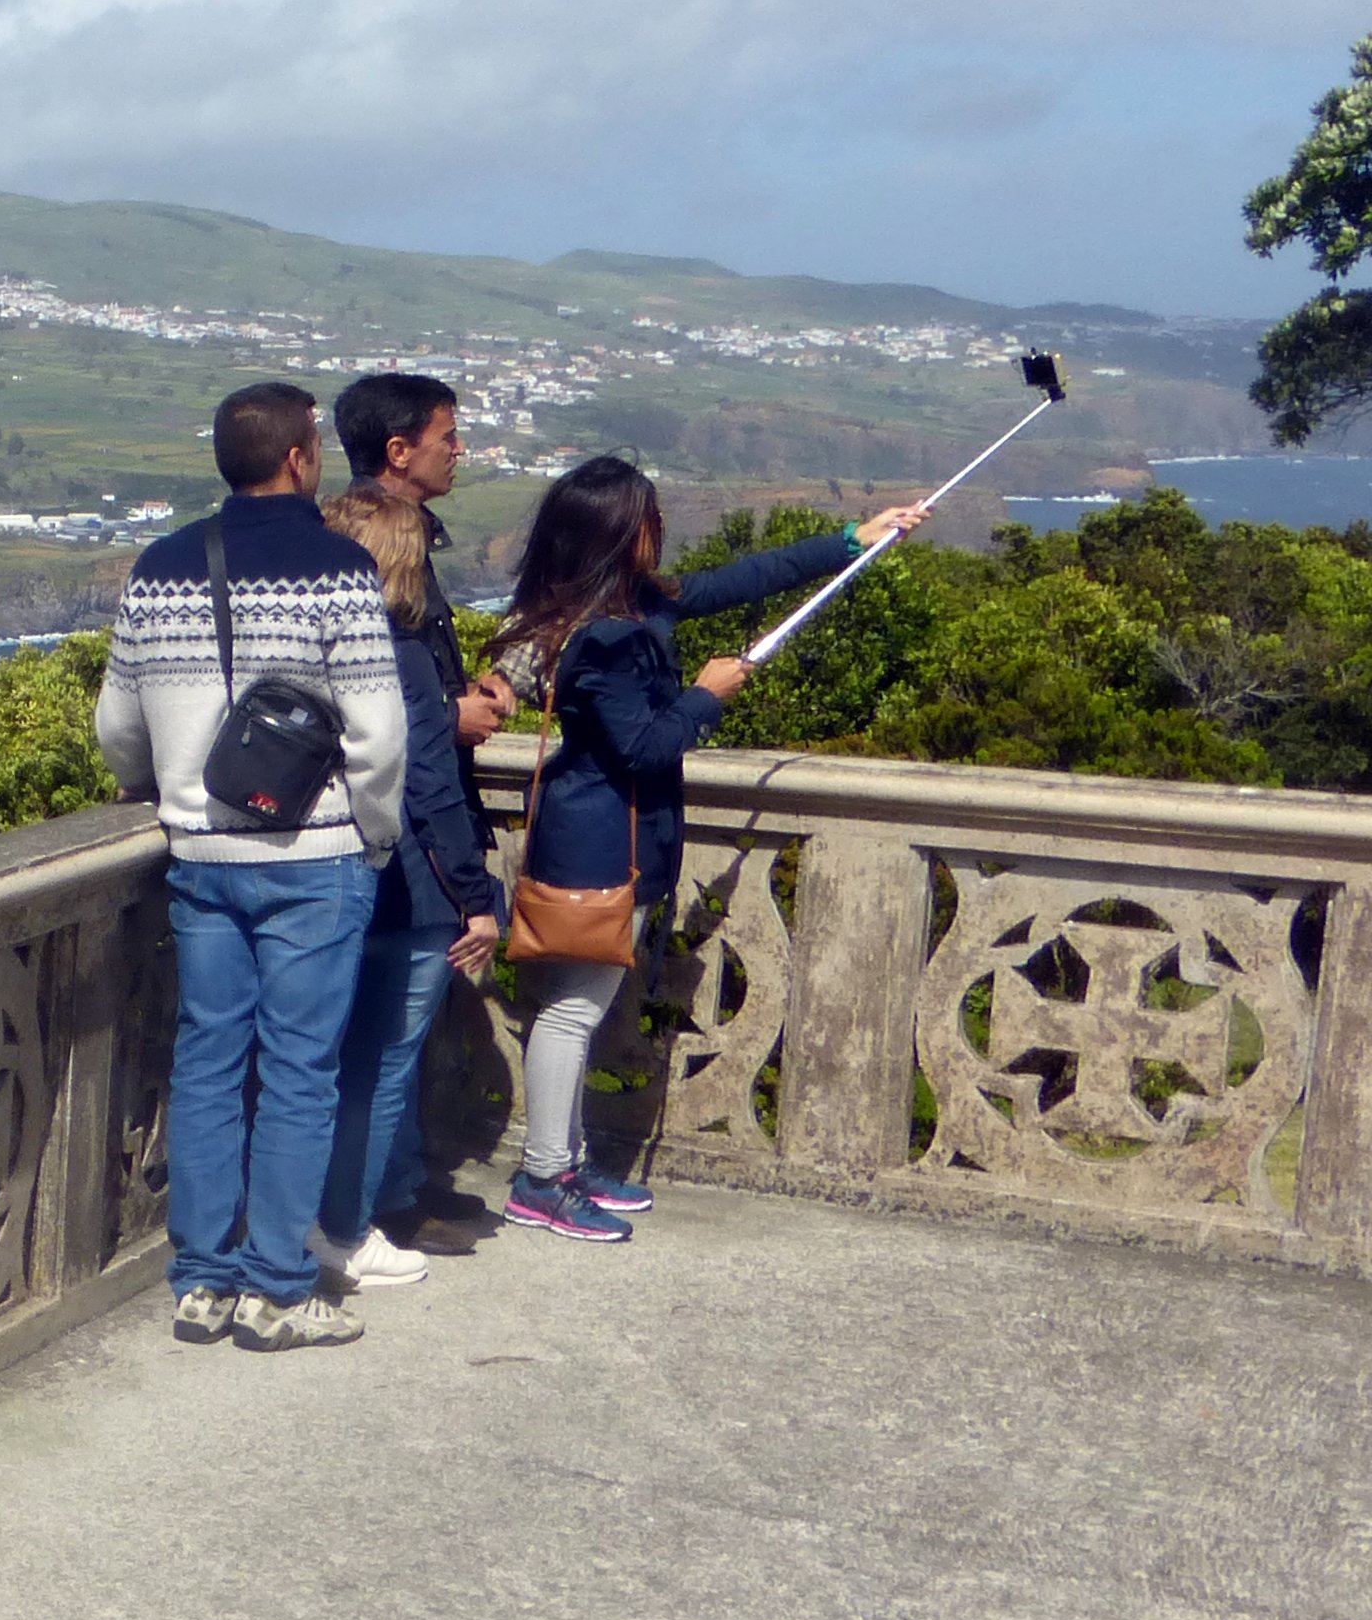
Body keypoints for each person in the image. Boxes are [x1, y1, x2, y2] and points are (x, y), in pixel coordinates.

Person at [485, 461, 926, 1240]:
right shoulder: (604, 639)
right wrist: (706, 695)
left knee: (581, 1005)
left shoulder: (632, 604)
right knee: (573, 1011)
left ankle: (566, 1159)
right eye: (650, 518)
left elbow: (739, 580)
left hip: (608, 832)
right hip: (597, 841)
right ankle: (543, 1177)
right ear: (620, 533)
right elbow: (645, 746)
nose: (661, 530)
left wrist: (851, 540)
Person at [96, 380, 408, 1351]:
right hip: (314, 854)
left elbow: (117, 725)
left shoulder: (159, 567)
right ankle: (275, 1289)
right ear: (300, 457)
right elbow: (379, 732)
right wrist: (375, 834)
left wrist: (165, 788)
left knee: (207, 1062)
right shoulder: (339, 568)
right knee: (299, 1074)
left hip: (200, 854)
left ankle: (201, 1281)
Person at [311, 372, 506, 1286]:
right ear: (398, 452)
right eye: (448, 436)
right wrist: (476, 893)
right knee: (383, 1054)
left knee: (363, 1051)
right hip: (412, 864)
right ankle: (355, 1221)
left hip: (351, 856)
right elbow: (422, 763)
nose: (460, 450)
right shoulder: (399, 623)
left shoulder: (338, 598)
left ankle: (390, 1192)